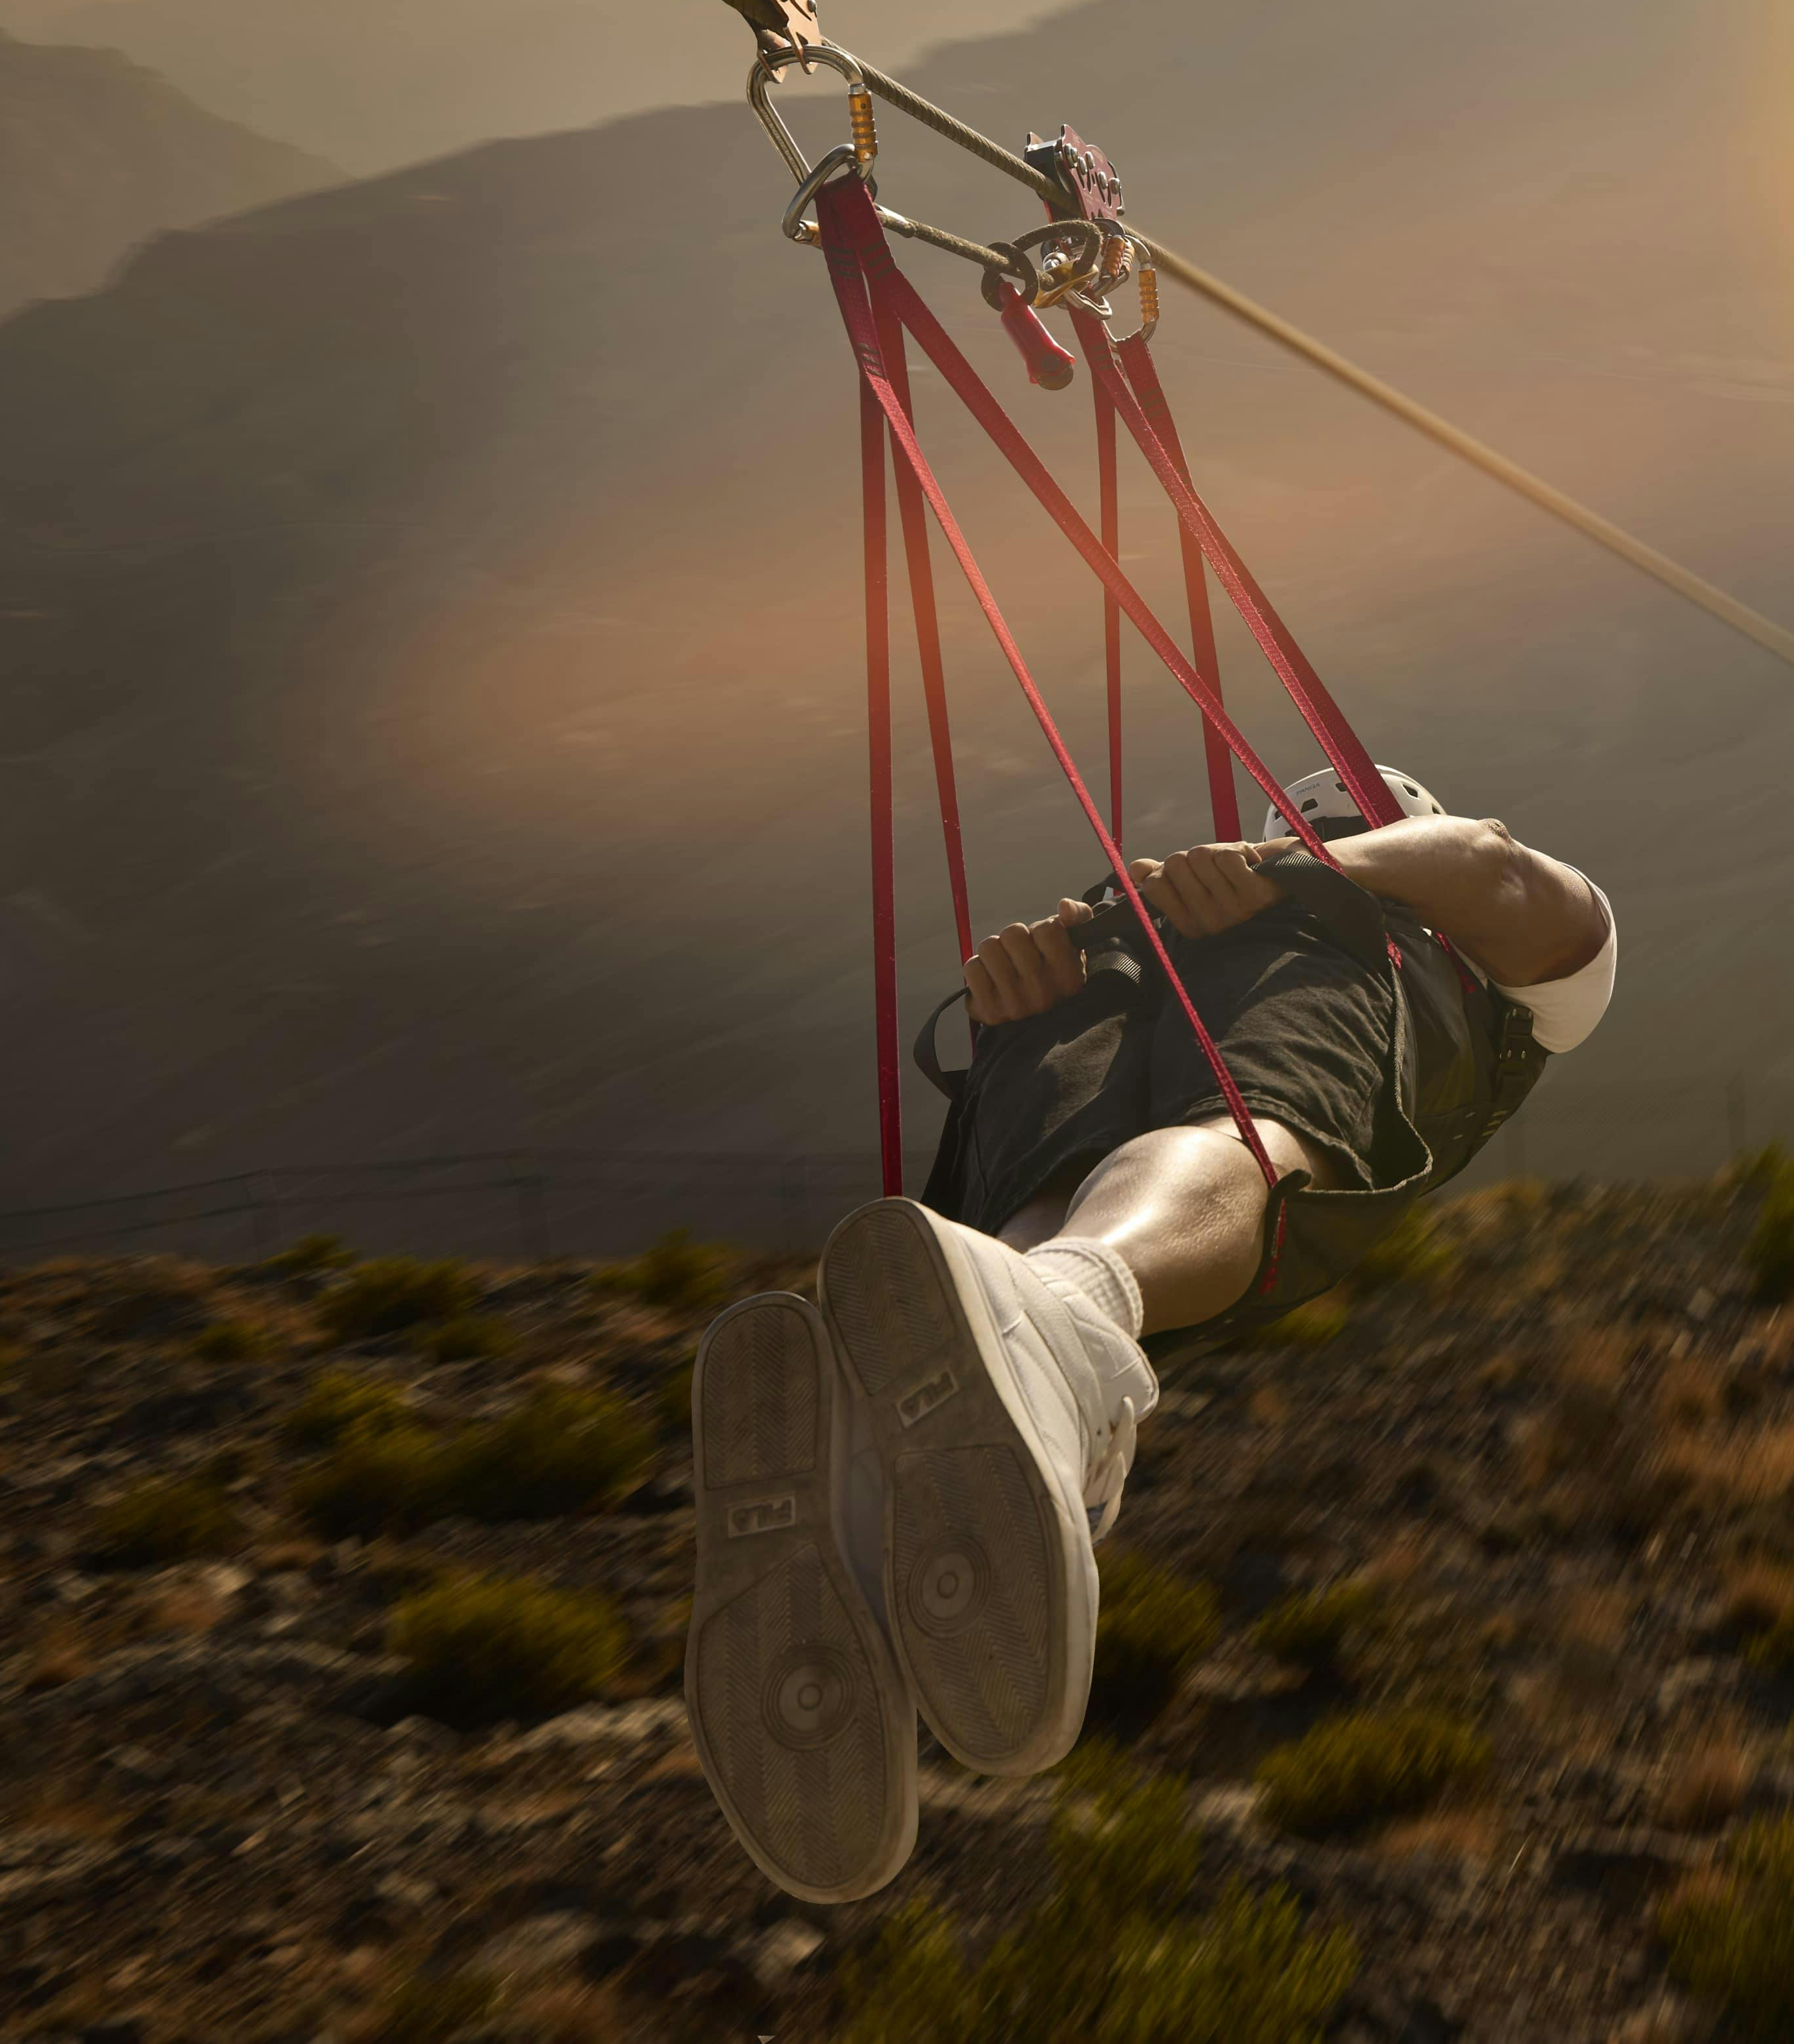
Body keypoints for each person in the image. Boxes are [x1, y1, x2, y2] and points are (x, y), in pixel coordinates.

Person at [681, 766, 1612, 1903]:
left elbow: (1487, 865)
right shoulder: (1232, 913)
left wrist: (1281, 875)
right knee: (1155, 1152)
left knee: (1166, 1135)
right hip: (1171, 995)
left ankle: (1017, 1361)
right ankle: (1024, 1358)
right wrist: (1033, 986)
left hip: (1271, 973)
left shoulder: (1467, 929)